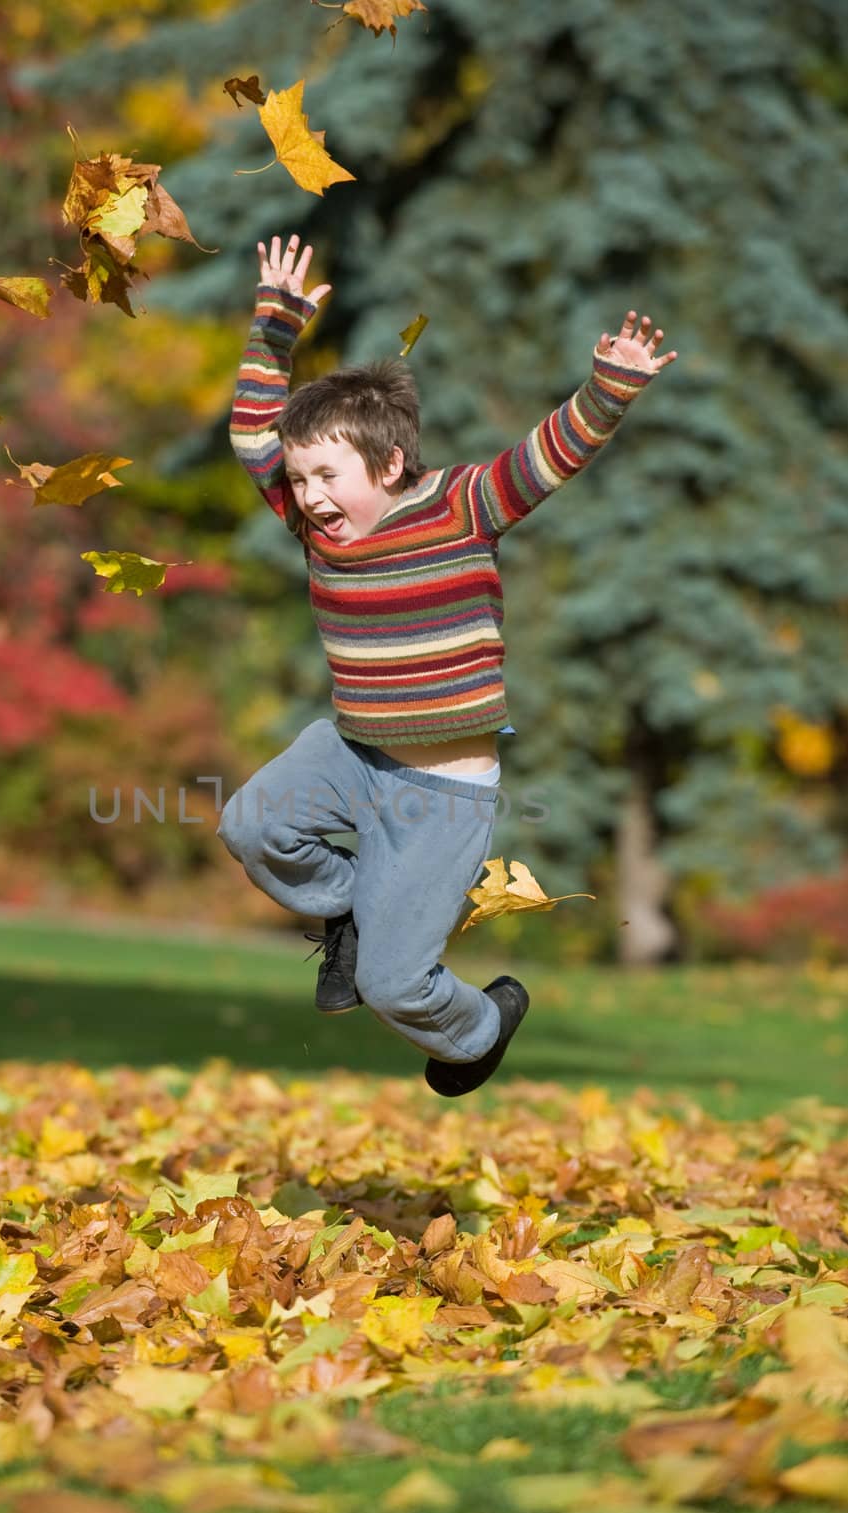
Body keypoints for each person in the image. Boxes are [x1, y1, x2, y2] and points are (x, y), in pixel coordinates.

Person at [217, 232, 677, 1097]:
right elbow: (251, 433)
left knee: (395, 985)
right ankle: (346, 907)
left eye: (327, 476)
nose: (310, 495)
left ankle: (479, 1028)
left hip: (443, 793)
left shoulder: (461, 505)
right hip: (352, 753)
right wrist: (274, 323)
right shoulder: (312, 529)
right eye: (302, 477)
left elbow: (547, 457)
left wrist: (609, 387)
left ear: (389, 464)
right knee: (252, 824)